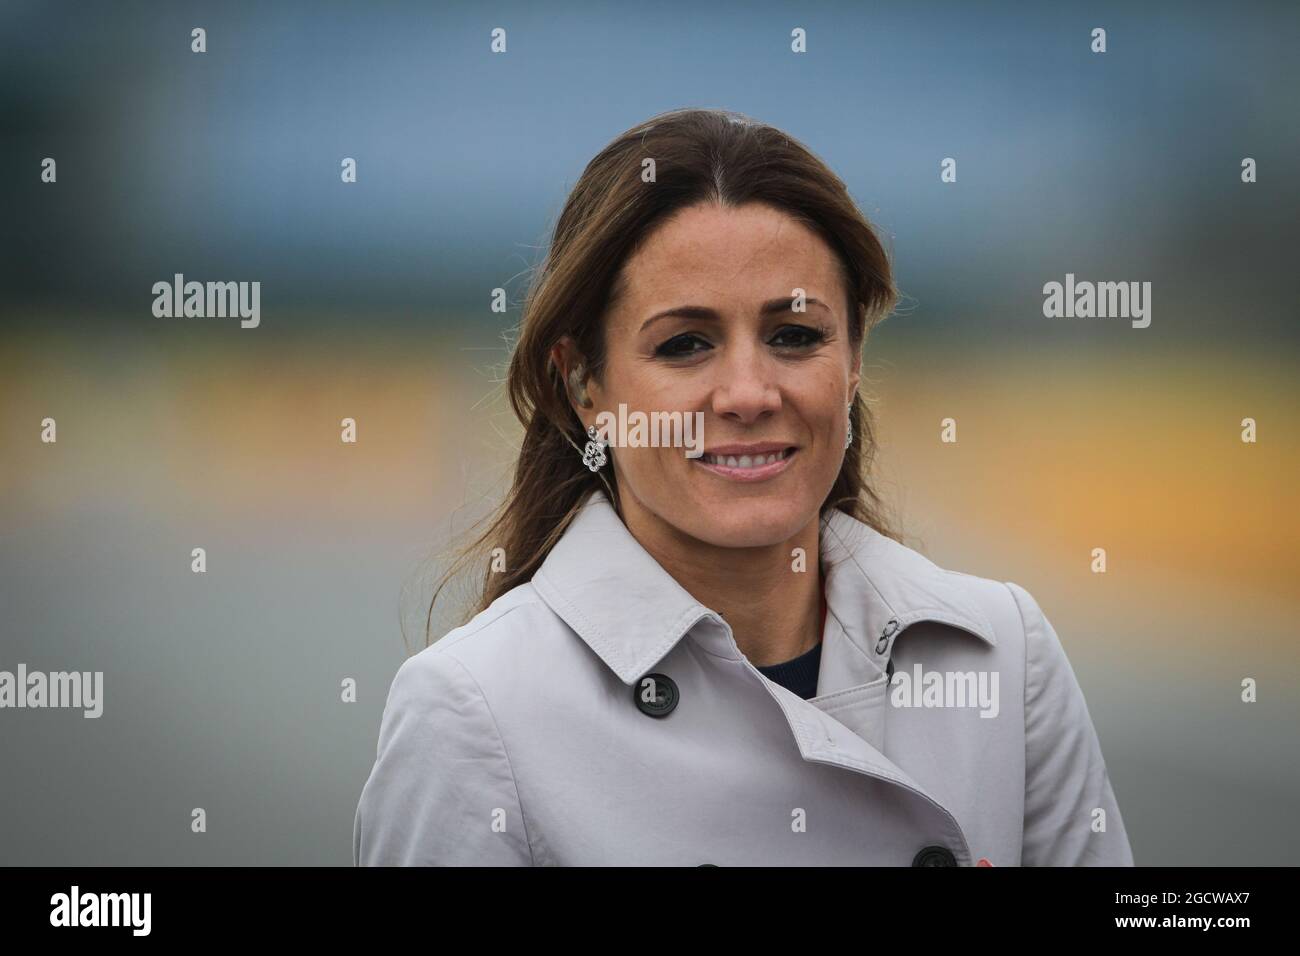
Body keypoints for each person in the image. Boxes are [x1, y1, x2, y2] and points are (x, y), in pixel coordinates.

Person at [353, 107, 1134, 866]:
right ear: (583, 385)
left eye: (795, 336)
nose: (748, 394)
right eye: (685, 344)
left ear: (855, 362)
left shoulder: (1003, 651)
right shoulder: (472, 710)